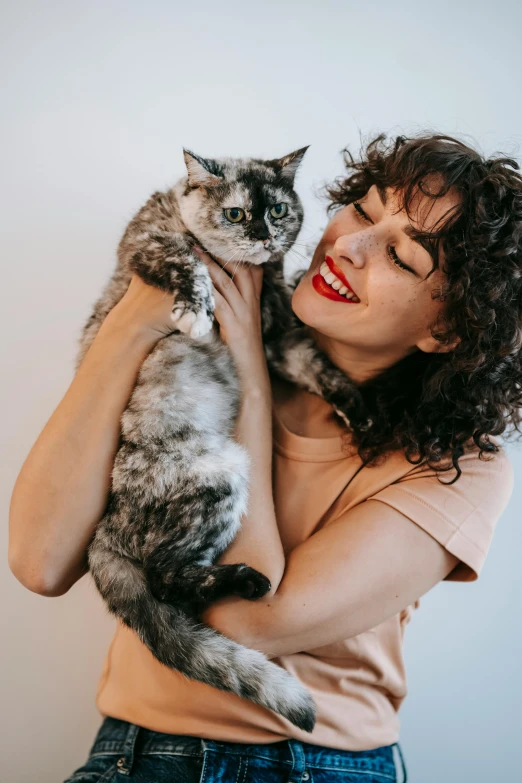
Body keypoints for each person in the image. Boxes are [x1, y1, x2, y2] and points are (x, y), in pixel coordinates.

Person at [9, 133, 521, 783]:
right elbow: (40, 558)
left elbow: (248, 619)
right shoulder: (186, 348)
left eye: (398, 253)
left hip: (321, 767)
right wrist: (133, 319)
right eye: (363, 210)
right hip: (133, 756)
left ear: (446, 327)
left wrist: (248, 362)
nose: (348, 245)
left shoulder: (459, 469)